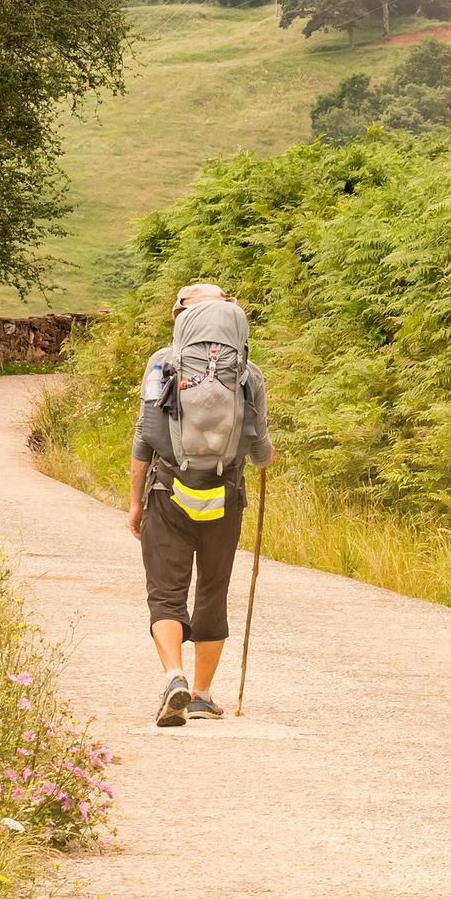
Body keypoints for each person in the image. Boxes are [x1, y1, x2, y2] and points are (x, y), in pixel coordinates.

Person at [127, 281, 273, 726]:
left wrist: (135, 504)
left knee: (166, 593)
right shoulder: (247, 373)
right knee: (212, 590)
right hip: (224, 496)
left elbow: (145, 437)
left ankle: (175, 676)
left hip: (167, 492)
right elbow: (261, 449)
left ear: (180, 318)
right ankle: (202, 695)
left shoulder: (162, 365)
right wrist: (259, 457)